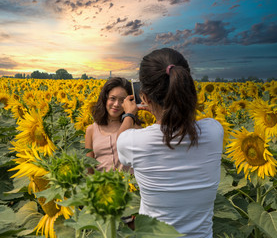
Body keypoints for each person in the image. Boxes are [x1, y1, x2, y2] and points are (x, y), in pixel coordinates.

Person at [117, 48, 224, 237]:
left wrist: (129, 114)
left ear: (145, 98)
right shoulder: (215, 131)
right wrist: (163, 110)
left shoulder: (134, 142)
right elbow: (186, 124)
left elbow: (121, 142)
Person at [85, 77, 141, 172]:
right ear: (105, 99)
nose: (116, 104)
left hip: (129, 184)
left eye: (122, 100)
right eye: (112, 98)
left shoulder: (134, 127)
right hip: (102, 185)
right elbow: (89, 167)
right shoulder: (91, 130)